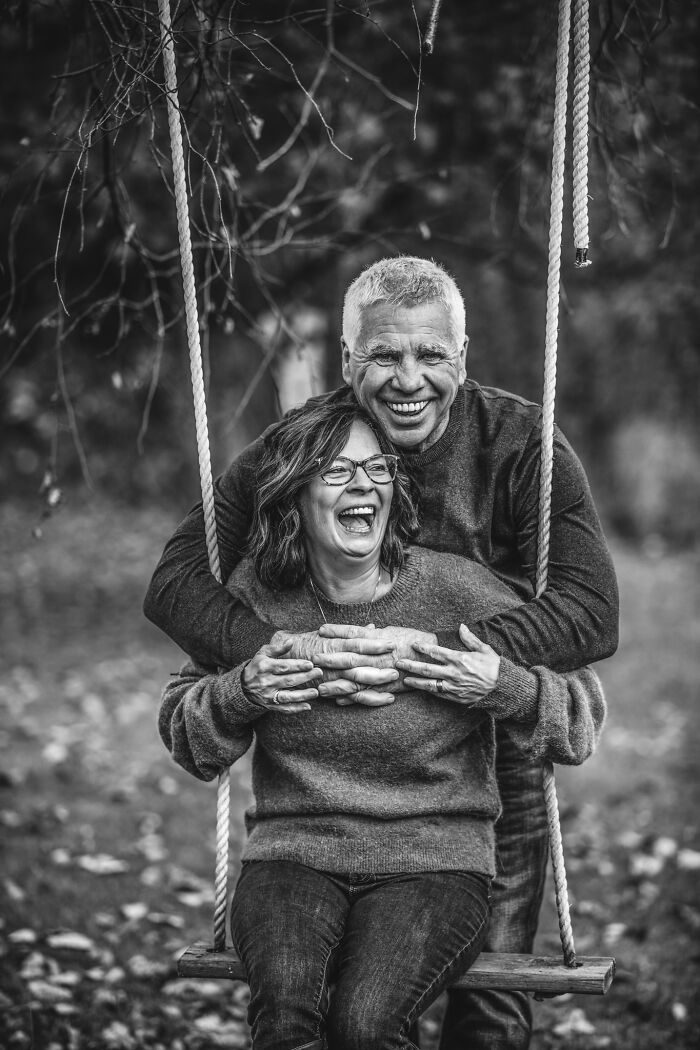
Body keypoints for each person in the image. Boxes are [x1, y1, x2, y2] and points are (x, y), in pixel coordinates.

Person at [145, 256, 619, 1049]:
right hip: (319, 792)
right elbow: (178, 583)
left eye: (431, 355)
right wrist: (293, 655)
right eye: (384, 356)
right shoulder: (306, 448)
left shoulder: (520, 445)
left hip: (486, 751)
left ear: (461, 361)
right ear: (347, 361)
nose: (409, 379)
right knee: (322, 1007)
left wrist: (430, 656)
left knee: (490, 1008)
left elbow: (591, 612)